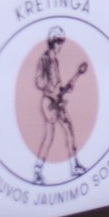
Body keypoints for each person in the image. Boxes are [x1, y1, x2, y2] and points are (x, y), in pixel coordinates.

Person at [33, 26, 87, 184]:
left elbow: (58, 84)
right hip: (49, 102)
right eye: (58, 42)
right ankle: (38, 171)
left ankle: (74, 165)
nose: (60, 46)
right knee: (50, 136)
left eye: (61, 42)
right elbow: (39, 81)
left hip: (56, 101)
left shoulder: (55, 61)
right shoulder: (44, 59)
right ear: (52, 42)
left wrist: (65, 89)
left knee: (68, 128)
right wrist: (52, 89)